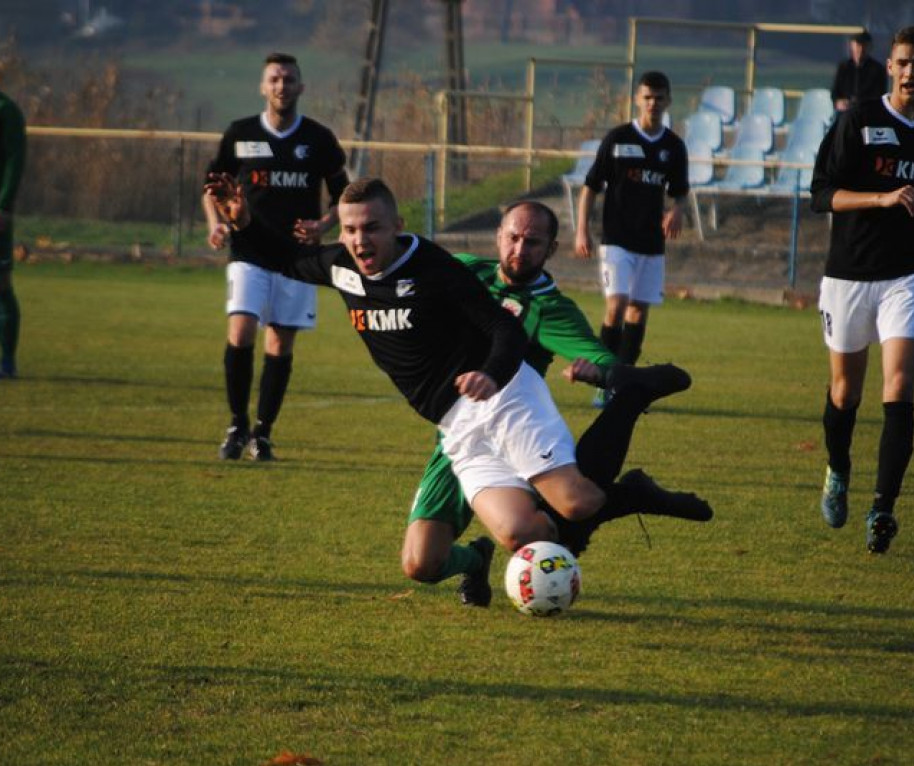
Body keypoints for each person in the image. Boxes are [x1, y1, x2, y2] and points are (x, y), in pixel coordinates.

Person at [205, 176, 703, 606]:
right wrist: (244, 221)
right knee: (499, 540)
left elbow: (504, 330)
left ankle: (634, 396)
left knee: (575, 504)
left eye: (372, 227)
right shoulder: (342, 266)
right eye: (350, 228)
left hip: (503, 395)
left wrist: (489, 372)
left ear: (397, 224)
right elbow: (285, 258)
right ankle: (486, 557)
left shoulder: (434, 267)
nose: (360, 240)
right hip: (455, 426)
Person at [404, 200, 712, 606]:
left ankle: (623, 492)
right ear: (498, 236)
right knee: (420, 565)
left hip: (513, 432)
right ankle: (476, 560)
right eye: (512, 238)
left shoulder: (552, 310)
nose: (519, 249)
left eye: (533, 242)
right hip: (458, 436)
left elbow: (607, 361)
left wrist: (598, 372)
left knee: (544, 524)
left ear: (550, 248)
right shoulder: (464, 271)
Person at [811, 26, 914, 554]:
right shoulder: (857, 119)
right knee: (846, 393)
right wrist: (881, 199)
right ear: (890, 66)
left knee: (900, 388)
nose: (911, 73)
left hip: (909, 273)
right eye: (903, 63)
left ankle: (883, 508)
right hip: (849, 273)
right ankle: (839, 469)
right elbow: (823, 194)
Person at [203, 52, 349, 461]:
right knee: (241, 330)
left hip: (298, 256)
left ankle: (263, 434)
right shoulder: (240, 134)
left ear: (301, 87)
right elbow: (210, 188)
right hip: (248, 249)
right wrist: (216, 223)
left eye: (289, 79)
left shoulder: (319, 140)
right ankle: (236, 425)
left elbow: (344, 198)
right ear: (263, 87)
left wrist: (324, 224)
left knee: (280, 342)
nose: (282, 86)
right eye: (275, 79)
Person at [574, 70, 689, 407]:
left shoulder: (673, 147)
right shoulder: (618, 138)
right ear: (637, 99)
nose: (653, 103)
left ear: (668, 101)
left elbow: (680, 192)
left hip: (651, 243)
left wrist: (677, 210)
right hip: (616, 239)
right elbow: (590, 187)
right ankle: (603, 379)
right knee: (617, 304)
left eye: (659, 98)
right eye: (647, 97)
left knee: (638, 312)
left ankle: (623, 382)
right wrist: (582, 230)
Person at [0, 89, 26, 380]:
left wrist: (4, 205)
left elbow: (14, 160)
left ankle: (7, 361)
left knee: (1, 283)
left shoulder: (6, 109)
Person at [831, 31, 888, 112]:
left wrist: (860, 103)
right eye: (857, 45)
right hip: (845, 111)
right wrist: (839, 102)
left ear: (870, 47)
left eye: (864, 46)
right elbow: (835, 92)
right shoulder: (843, 67)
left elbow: (879, 96)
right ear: (851, 46)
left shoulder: (878, 69)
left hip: (867, 112)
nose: (860, 49)